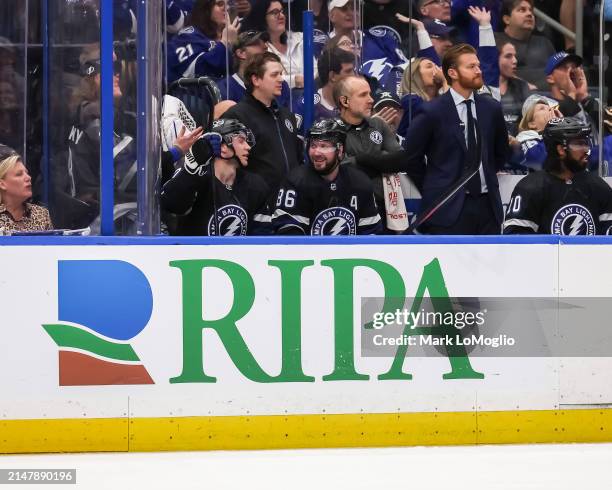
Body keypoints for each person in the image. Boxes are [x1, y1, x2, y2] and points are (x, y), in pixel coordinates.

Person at [362, 44, 509, 234]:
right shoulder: (432, 111)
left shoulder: (491, 108)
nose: (478, 71)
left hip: (488, 207)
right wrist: (437, 186)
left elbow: (500, 153)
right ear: (453, 73)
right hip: (447, 207)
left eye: (478, 65)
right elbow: (411, 158)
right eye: (471, 67)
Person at [161, 118, 272, 235]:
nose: (248, 147)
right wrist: (190, 172)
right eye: (241, 141)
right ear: (223, 147)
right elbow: (170, 205)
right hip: (194, 253)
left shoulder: (255, 185)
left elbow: (263, 235)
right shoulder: (194, 175)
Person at [503, 117, 612, 235]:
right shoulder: (529, 188)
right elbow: (515, 240)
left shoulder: (598, 186)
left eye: (586, 143)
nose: (587, 150)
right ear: (561, 149)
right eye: (579, 144)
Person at [272, 118, 382, 235]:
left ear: (340, 150)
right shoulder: (295, 182)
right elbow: (289, 237)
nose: (316, 152)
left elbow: (371, 234)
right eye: (313, 146)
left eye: (324, 146)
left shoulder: (360, 183)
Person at [222, 52, 302, 198]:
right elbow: (228, 165)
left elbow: (297, 157)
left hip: (290, 201)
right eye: (274, 75)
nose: (281, 79)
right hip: (256, 203)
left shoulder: (287, 116)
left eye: (281, 74)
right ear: (256, 80)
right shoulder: (236, 116)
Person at [241, 0, 314, 89]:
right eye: (275, 13)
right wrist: (294, 80)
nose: (281, 16)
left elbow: (316, 69)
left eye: (282, 11)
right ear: (262, 17)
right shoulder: (258, 48)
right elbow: (260, 77)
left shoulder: (300, 38)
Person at [167, 0, 239, 83]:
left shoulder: (232, 38)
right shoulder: (188, 36)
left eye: (228, 4)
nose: (227, 8)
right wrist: (224, 44)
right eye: (220, 4)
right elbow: (198, 71)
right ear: (206, 9)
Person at [216, 30, 290, 107]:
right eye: (257, 43)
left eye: (264, 42)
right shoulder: (224, 89)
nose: (265, 46)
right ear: (241, 53)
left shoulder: (281, 85)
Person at [494, 0, 555, 90]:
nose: (529, 14)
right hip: (514, 99)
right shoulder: (496, 41)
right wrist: (524, 86)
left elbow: (558, 72)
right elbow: (491, 73)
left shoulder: (544, 43)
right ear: (507, 19)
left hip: (548, 99)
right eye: (522, 10)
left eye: (531, 10)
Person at [0, 144, 52, 233]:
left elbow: (50, 246)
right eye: (19, 174)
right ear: (2, 184)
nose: (28, 178)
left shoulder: (41, 214)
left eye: (26, 173)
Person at [545, 51, 601, 130]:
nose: (571, 72)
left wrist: (584, 97)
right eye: (564, 68)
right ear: (550, 79)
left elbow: (602, 129)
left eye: (573, 67)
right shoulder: (542, 104)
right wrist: (571, 95)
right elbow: (553, 122)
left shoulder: (586, 102)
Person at [497, 39, 532, 136]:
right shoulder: (480, 89)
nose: (515, 61)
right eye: (508, 56)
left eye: (514, 56)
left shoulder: (522, 86)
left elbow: (529, 119)